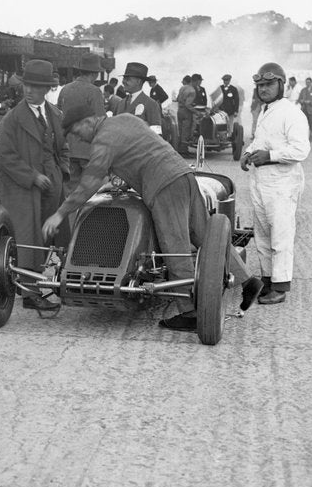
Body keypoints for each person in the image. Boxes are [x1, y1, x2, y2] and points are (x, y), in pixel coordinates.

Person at [42, 108, 264, 329]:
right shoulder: (126, 119)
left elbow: (88, 184)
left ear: (89, 120)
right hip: (183, 175)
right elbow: (143, 152)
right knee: (205, 236)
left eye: (75, 129)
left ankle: (190, 313)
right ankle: (248, 281)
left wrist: (60, 214)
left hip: (163, 185)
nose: (76, 136)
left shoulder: (103, 141)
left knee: (174, 247)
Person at [0, 60, 69, 311]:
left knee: (54, 235)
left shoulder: (55, 114)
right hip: (24, 188)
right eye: (27, 85)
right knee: (29, 239)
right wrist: (32, 177)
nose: (28, 90)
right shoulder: (12, 119)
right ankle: (30, 293)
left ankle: (58, 282)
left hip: (53, 184)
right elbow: (5, 156)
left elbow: (64, 146)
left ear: (46, 89)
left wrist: (62, 172)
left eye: (35, 86)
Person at [239, 62, 310, 304]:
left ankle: (280, 286)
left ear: (281, 84)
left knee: (280, 235)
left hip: (282, 183)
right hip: (261, 182)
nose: (263, 89)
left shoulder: (291, 112)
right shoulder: (265, 110)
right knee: (262, 235)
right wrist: (248, 152)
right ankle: (267, 280)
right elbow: (260, 140)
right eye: (259, 85)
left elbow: (301, 149)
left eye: (269, 84)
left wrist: (270, 156)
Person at [60, 52, 106, 192]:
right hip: (88, 150)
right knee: (92, 192)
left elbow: (59, 116)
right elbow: (100, 122)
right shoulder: (94, 91)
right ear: (94, 74)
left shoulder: (65, 89)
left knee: (71, 191)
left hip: (68, 149)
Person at [119, 61, 163, 134]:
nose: (123, 82)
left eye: (127, 79)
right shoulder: (120, 103)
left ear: (138, 82)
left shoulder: (151, 104)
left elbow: (156, 136)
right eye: (124, 78)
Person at [175, 74, 196, 152]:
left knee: (180, 129)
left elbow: (177, 99)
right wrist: (196, 111)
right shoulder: (192, 90)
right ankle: (184, 150)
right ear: (190, 81)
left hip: (179, 110)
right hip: (186, 112)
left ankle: (180, 148)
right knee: (186, 130)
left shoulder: (181, 88)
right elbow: (188, 104)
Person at [296, 77, 312, 141]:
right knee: (303, 123)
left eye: (309, 82)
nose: (307, 83)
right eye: (306, 82)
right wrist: (301, 101)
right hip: (304, 109)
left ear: (311, 83)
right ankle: (304, 136)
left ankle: (311, 133)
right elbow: (299, 99)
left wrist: (310, 102)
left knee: (311, 123)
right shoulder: (303, 90)